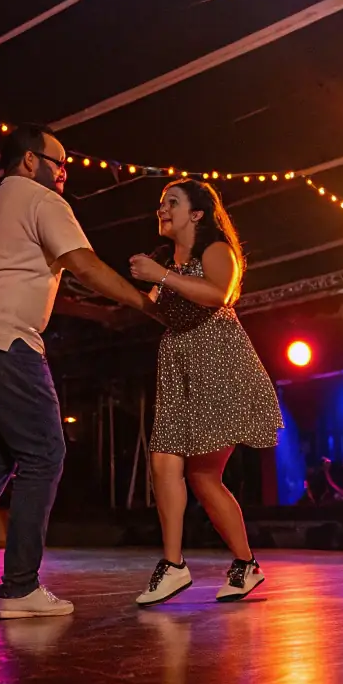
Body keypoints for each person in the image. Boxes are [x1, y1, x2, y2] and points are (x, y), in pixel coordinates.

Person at [0, 123, 157, 618]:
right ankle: (19, 587)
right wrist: (144, 303)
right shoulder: (43, 202)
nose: (65, 173)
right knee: (44, 453)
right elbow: (85, 266)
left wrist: (96, 313)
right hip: (5, 343)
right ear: (28, 160)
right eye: (58, 162)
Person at [128, 178, 283, 606]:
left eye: (172, 202)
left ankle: (245, 563)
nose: (162, 209)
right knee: (163, 461)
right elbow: (154, 311)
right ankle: (174, 564)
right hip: (178, 366)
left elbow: (218, 294)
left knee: (202, 475)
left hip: (219, 362)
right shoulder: (166, 262)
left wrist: (161, 276)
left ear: (197, 214)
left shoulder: (215, 250)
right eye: (161, 203)